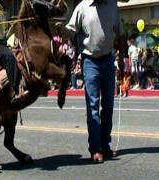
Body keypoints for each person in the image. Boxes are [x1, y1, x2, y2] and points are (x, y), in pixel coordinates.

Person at [57, 0, 125, 163]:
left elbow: (120, 34)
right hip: (90, 61)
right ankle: (95, 148)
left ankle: (105, 144)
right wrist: (61, 29)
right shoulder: (82, 7)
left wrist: (122, 58)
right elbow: (71, 31)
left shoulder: (112, 5)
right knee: (93, 106)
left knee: (108, 105)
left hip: (109, 60)